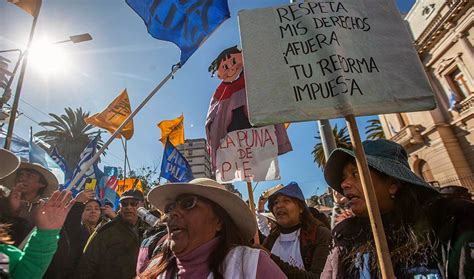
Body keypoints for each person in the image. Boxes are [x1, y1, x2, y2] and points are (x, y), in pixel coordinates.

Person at [321, 139, 474, 278]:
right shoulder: (345, 238)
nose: (344, 184)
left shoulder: (454, 222)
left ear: (393, 183)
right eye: (343, 178)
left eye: (355, 173)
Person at [140, 178, 287, 278]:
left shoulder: (251, 265)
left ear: (219, 221)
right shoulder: (155, 269)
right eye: (170, 207)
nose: (173, 213)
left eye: (188, 204)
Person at [263, 182, 331, 278]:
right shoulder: (270, 240)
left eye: (286, 201)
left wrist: (269, 259)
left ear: (301, 208)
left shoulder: (320, 234)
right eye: (275, 203)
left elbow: (318, 277)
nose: (279, 206)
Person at [76, 189, 144, 279]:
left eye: (133, 203)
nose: (128, 207)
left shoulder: (150, 230)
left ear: (142, 205)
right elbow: (86, 266)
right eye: (124, 204)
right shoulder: (105, 231)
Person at [0, 160, 58, 245]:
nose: (22, 179)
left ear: (41, 184)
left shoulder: (42, 211)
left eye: (29, 176)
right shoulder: (3, 202)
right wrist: (10, 209)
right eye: (21, 175)